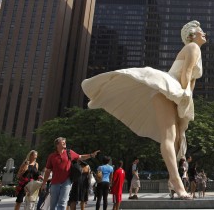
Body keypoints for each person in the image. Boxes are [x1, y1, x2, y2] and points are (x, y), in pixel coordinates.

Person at [82, 20, 206, 199]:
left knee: (178, 139)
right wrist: (184, 98)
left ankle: (174, 179)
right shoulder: (193, 47)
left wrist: (186, 104)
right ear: (191, 35)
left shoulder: (196, 50)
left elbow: (191, 80)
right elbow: (186, 73)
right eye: (200, 31)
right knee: (169, 137)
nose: (204, 33)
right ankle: (176, 181)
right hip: (168, 89)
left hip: (176, 92)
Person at [40, 137, 99, 210]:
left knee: (62, 202)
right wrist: (44, 183)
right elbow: (48, 171)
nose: (65, 143)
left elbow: (80, 157)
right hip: (55, 182)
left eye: (65, 142)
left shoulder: (69, 152)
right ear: (57, 144)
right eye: (63, 142)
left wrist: (90, 155)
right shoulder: (52, 156)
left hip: (67, 182)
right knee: (53, 204)